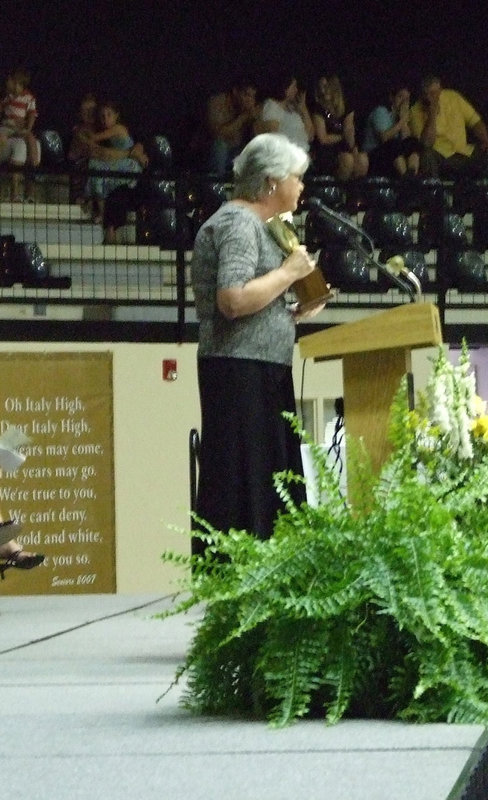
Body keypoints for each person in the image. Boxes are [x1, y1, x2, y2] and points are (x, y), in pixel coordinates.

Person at [190, 133, 325, 547]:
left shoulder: (263, 225)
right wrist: (288, 274)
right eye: (296, 177)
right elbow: (232, 299)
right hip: (239, 370)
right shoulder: (238, 223)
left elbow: (256, 296)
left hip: (261, 369)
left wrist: (294, 305)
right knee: (240, 477)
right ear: (270, 181)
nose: (301, 187)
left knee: (268, 477)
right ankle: (233, 574)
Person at [409, 74, 488, 180]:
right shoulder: (415, 111)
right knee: (426, 154)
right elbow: (426, 144)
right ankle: (435, 192)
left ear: (440, 90)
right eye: (426, 94)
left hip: (463, 151)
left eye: (433, 93)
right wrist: (432, 115)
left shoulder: (452, 97)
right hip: (440, 156)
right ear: (421, 95)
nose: (429, 97)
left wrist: (486, 141)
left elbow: (475, 122)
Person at [81, 99, 144, 226]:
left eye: (109, 115)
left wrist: (84, 134)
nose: (105, 119)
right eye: (102, 116)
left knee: (96, 167)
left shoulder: (117, 128)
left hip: (129, 165)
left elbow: (94, 138)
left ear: (116, 115)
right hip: (122, 162)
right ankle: (101, 211)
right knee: (96, 167)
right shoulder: (111, 133)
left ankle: (98, 209)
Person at [191, 77, 260, 178]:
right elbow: (218, 134)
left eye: (252, 97)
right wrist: (243, 118)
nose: (249, 100)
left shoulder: (248, 109)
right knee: (220, 146)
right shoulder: (217, 102)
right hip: (208, 152)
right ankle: (217, 185)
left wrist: (255, 120)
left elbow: (257, 138)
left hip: (235, 154)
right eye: (246, 95)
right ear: (235, 92)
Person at [310, 74, 368, 180]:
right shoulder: (318, 109)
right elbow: (323, 138)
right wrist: (342, 136)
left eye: (326, 86)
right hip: (326, 150)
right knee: (347, 160)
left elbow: (349, 130)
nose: (323, 90)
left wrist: (353, 147)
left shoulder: (346, 108)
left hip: (344, 146)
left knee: (362, 159)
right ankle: (340, 193)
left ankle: (355, 194)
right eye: (320, 87)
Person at [362, 83, 421, 178]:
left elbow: (406, 140)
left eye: (407, 99)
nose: (403, 102)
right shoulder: (381, 111)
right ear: (392, 97)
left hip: (392, 156)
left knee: (413, 142)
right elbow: (384, 138)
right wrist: (402, 121)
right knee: (393, 144)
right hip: (373, 155)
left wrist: (404, 122)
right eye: (400, 97)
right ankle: (405, 177)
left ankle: (412, 174)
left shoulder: (403, 116)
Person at [0, 67, 41, 202]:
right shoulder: (8, 97)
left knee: (30, 139)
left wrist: (27, 128)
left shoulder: (28, 98)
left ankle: (32, 161)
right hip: (8, 126)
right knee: (3, 135)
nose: (8, 84)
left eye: (12, 82)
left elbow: (31, 114)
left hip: (19, 129)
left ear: (20, 84)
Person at [257, 74, 314, 154]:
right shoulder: (272, 106)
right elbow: (272, 136)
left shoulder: (293, 108)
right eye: (293, 86)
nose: (296, 90)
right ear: (285, 88)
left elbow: (310, 136)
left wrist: (303, 109)